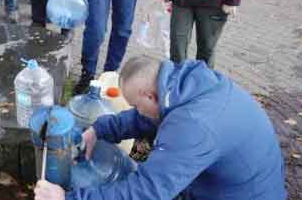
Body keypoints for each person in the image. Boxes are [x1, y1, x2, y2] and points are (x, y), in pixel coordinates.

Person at [34, 56, 287, 200]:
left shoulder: (192, 126)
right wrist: (98, 130)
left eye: (136, 104)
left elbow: (147, 192)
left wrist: (66, 199)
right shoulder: (185, 85)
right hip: (231, 181)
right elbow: (146, 117)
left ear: (151, 95)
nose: (136, 111)